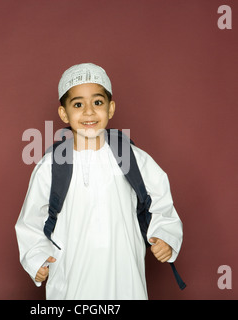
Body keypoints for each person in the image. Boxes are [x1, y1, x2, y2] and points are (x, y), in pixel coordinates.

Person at [15, 63, 183, 299]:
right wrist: (37, 259)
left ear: (110, 108)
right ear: (64, 113)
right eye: (77, 104)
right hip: (72, 280)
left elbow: (161, 205)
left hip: (126, 279)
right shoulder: (50, 167)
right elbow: (30, 222)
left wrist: (165, 236)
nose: (89, 112)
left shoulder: (133, 158)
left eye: (97, 102)